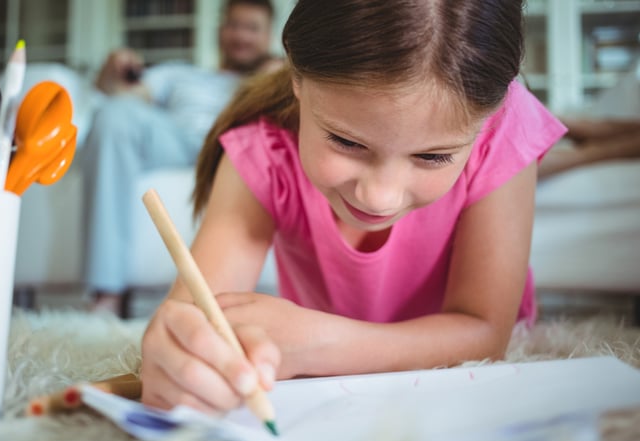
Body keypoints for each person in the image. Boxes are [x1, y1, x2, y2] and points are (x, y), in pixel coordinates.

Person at [138, 0, 567, 415]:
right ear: (297, 80)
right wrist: (179, 352)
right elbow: (196, 318)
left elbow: (485, 333)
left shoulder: (506, 127)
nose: (379, 197)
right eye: (347, 142)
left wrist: (320, 343)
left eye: (433, 157)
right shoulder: (260, 149)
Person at [82, 0, 281, 315]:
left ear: (269, 36)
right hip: (176, 141)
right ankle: (107, 294)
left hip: (235, 147)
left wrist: (274, 78)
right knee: (114, 115)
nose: (241, 35)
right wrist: (111, 70)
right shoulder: (180, 73)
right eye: (234, 25)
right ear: (220, 30)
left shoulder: (275, 81)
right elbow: (117, 93)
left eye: (251, 27)